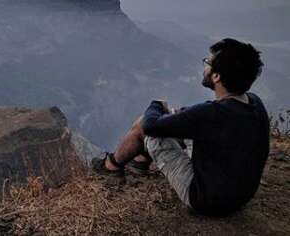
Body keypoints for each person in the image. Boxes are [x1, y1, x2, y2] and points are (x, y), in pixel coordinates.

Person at [92, 38, 269, 217]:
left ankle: (110, 167)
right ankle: (139, 161)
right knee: (175, 124)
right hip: (239, 197)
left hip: (206, 201)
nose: (205, 67)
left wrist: (156, 104)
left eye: (207, 63)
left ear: (217, 76)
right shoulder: (254, 103)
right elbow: (197, 119)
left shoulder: (212, 114)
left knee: (144, 125)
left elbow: (151, 126)